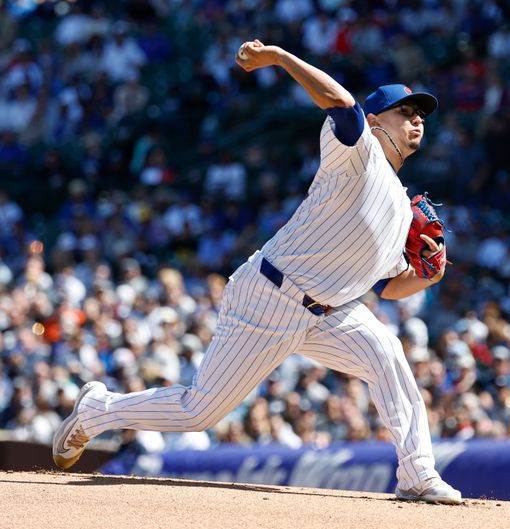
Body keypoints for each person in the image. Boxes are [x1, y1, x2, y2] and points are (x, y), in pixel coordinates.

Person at [52, 39, 462, 504]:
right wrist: (281, 58)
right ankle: (97, 411)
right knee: (198, 412)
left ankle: (417, 473)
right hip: (271, 295)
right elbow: (340, 103)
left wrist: (427, 277)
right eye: (404, 111)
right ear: (375, 121)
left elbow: (388, 287)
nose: (416, 119)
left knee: (387, 353)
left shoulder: (404, 211)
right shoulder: (358, 153)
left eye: (420, 114)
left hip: (330, 312)